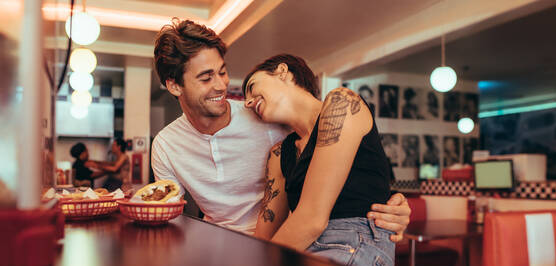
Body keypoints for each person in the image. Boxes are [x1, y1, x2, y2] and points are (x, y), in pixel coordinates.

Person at [151, 19, 410, 239]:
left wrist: (393, 201)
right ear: (174, 86)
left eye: (222, 72)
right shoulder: (165, 145)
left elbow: (342, 164)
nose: (221, 85)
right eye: (206, 78)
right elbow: (165, 214)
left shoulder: (268, 118)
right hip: (219, 244)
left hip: (283, 243)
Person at [242, 54, 395, 266]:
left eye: (252, 88)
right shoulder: (278, 154)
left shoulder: (341, 103)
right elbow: (265, 234)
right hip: (300, 248)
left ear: (282, 72)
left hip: (354, 240)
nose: (247, 102)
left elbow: (312, 219)